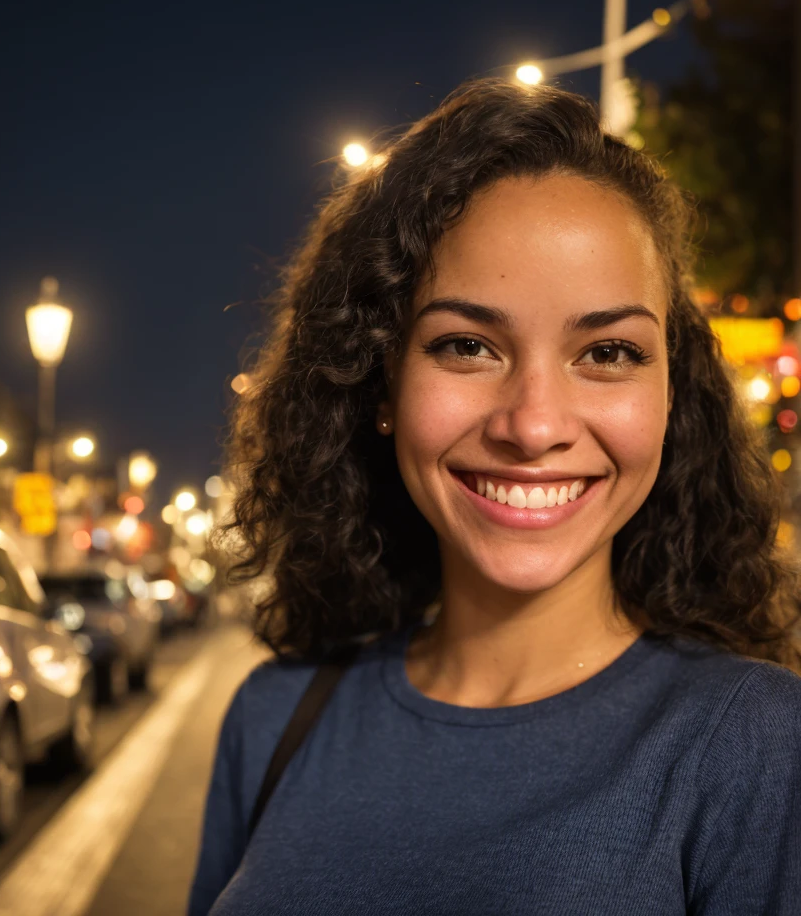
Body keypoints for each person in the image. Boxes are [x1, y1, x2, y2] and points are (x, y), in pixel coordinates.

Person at [188, 78, 801, 916]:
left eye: (611, 353)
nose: (534, 424)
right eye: (467, 345)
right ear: (379, 381)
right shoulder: (274, 718)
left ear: (672, 395)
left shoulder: (759, 749)